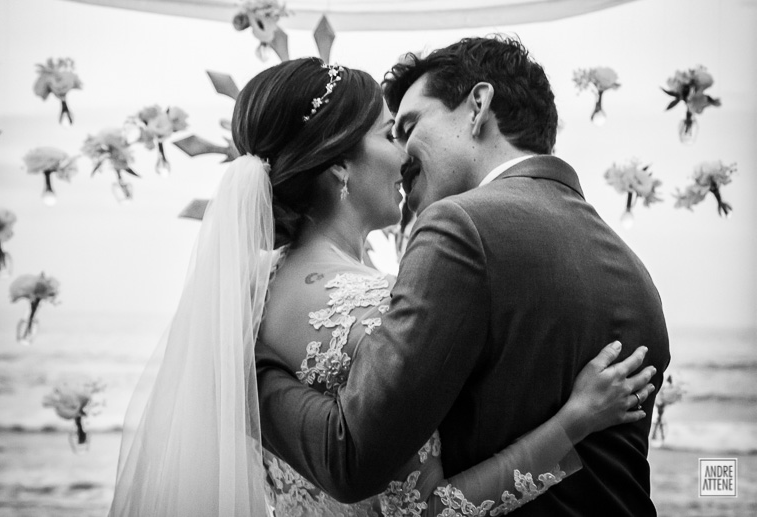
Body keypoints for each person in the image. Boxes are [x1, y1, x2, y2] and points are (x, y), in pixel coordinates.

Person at [108, 56, 656, 517]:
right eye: (387, 133)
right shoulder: (368, 306)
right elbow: (419, 511)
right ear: (341, 165)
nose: (403, 155)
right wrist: (572, 424)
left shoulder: (249, 293)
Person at [255, 37, 671, 517]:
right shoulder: (635, 275)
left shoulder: (459, 227)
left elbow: (365, 464)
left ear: (478, 106)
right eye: (391, 134)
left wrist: (251, 381)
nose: (403, 153)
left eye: (407, 127)